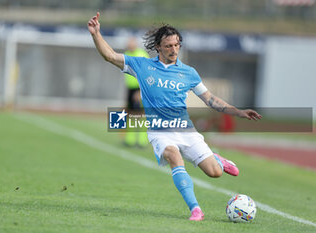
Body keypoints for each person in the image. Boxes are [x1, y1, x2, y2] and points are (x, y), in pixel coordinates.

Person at [87, 12, 262, 221]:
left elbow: (210, 99)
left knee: (214, 172)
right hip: (160, 132)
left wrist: (239, 111)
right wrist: (96, 34)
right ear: (158, 47)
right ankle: (195, 209)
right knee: (172, 155)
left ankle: (217, 159)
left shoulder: (189, 73)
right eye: (168, 46)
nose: (174, 50)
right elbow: (110, 56)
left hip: (186, 130)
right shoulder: (142, 66)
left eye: (177, 45)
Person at [123, 37, 149, 147]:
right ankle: (130, 140)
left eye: (131, 43)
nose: (129, 45)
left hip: (140, 89)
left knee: (141, 115)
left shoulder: (141, 55)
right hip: (130, 89)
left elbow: (146, 74)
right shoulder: (127, 54)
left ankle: (142, 141)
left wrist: (140, 91)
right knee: (130, 114)